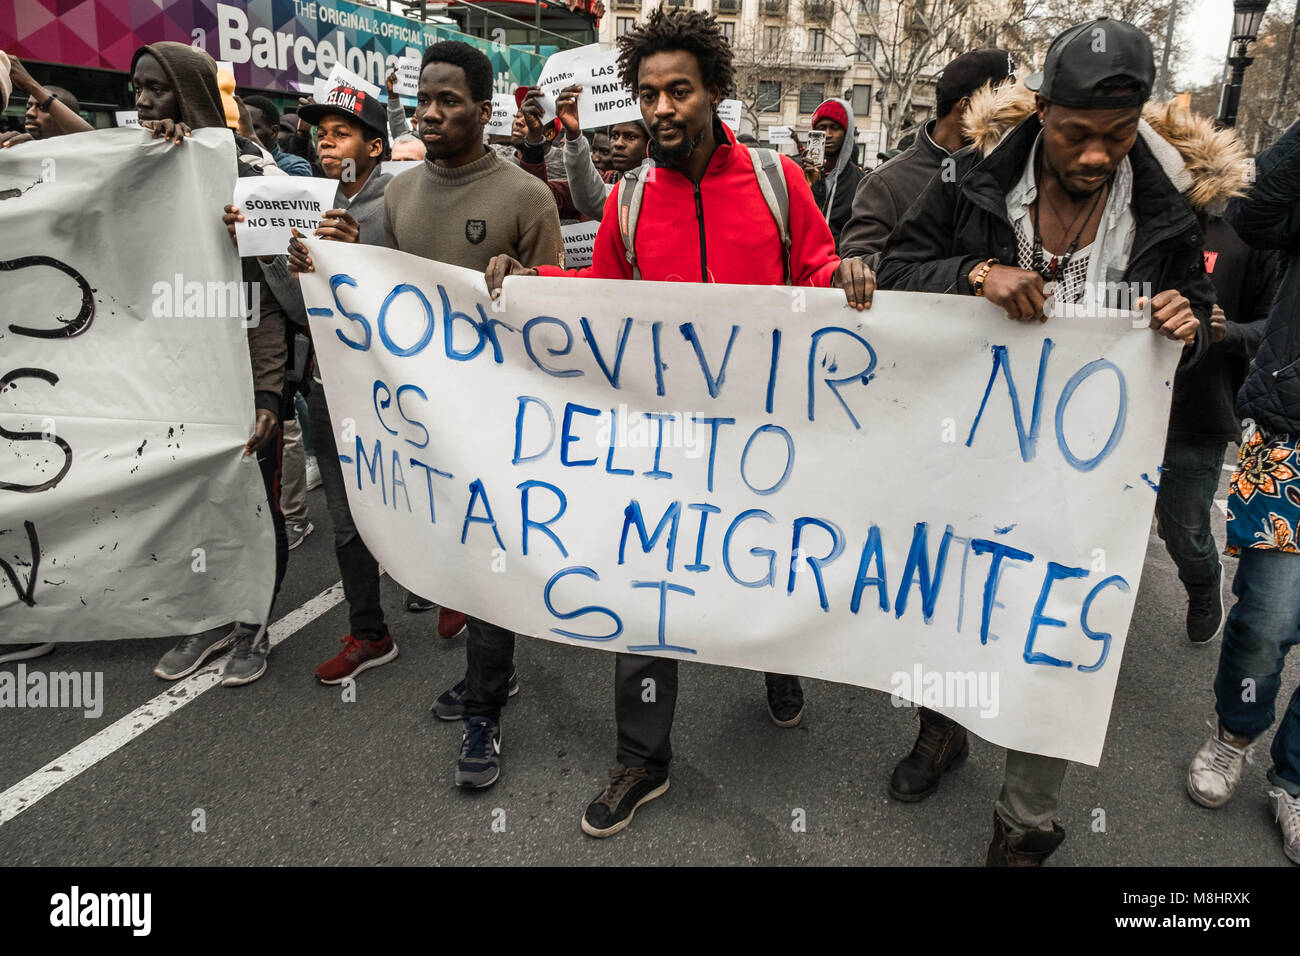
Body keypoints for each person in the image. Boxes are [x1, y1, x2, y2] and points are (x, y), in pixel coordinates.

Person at [485, 7, 873, 838]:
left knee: (766, 564)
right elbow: (602, 305)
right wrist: (532, 283)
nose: (661, 109)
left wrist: (843, 271)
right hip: (662, 446)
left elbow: (814, 268)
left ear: (715, 94)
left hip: (765, 437)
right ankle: (642, 757)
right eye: (649, 94)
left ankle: (774, 657)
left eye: (679, 92)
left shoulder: (777, 182)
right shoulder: (627, 200)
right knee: (646, 593)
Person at [875, 17, 1230, 865]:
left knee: (1060, 630)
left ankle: (1025, 821)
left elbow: (1196, 317)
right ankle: (942, 732)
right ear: (1041, 113)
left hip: (1091, 473)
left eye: (1118, 135)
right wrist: (973, 274)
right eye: (1077, 134)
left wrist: (1190, 321)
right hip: (973, 449)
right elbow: (895, 271)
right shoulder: (970, 179)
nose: (1098, 155)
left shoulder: (1170, 203)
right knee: (958, 604)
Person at [332, 41, 562, 790]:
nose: (431, 113)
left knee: (491, 567)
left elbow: (564, 319)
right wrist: (329, 258)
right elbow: (389, 306)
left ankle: (485, 710)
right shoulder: (396, 195)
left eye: (450, 101)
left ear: (484, 110)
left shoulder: (527, 197)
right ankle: (490, 675)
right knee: (457, 562)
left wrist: (527, 287)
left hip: (502, 428)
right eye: (423, 99)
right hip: (424, 423)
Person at [130, 41, 290, 688]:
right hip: (181, 375)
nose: (140, 101)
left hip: (245, 370)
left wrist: (271, 396)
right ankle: (212, 613)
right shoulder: (153, 158)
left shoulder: (251, 171)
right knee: (200, 501)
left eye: (156, 89)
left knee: (254, 501)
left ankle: (254, 620)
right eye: (135, 87)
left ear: (190, 94)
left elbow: (273, 297)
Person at [1186, 116, 1300, 865]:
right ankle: (1234, 736)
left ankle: (1293, 779)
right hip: (1287, 434)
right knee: (1267, 615)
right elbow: (1255, 215)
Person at [1157, 216, 1276, 643]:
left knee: (1183, 530)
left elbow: (1274, 328)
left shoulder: (1250, 233)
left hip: (1198, 414)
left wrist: (1228, 332)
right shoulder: (1133, 212)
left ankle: (1204, 581)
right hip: (1118, 406)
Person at [840, 49, 1013, 266]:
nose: (1013, 112)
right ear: (967, 105)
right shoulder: (887, 182)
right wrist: (954, 266)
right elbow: (857, 267)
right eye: (1004, 100)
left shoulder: (1003, 172)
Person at [546, 85, 650, 221]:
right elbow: (541, 194)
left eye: (630, 137)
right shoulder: (604, 182)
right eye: (614, 135)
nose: (618, 143)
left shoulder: (659, 186)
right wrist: (573, 135)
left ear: (649, 144)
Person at [801, 98, 861, 249]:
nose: (827, 135)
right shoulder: (796, 171)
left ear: (846, 133)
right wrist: (809, 184)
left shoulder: (860, 181)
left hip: (837, 265)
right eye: (822, 128)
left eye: (834, 128)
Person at [1, 55, 92, 148]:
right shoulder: (17, 147)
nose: (29, 113)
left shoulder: (83, 151)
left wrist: (30, 83)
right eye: (28, 107)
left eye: (43, 108)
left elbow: (92, 139)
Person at [244, 95, 313, 176]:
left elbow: (285, 187)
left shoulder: (295, 166)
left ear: (274, 131)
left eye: (250, 127)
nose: (240, 132)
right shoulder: (232, 159)